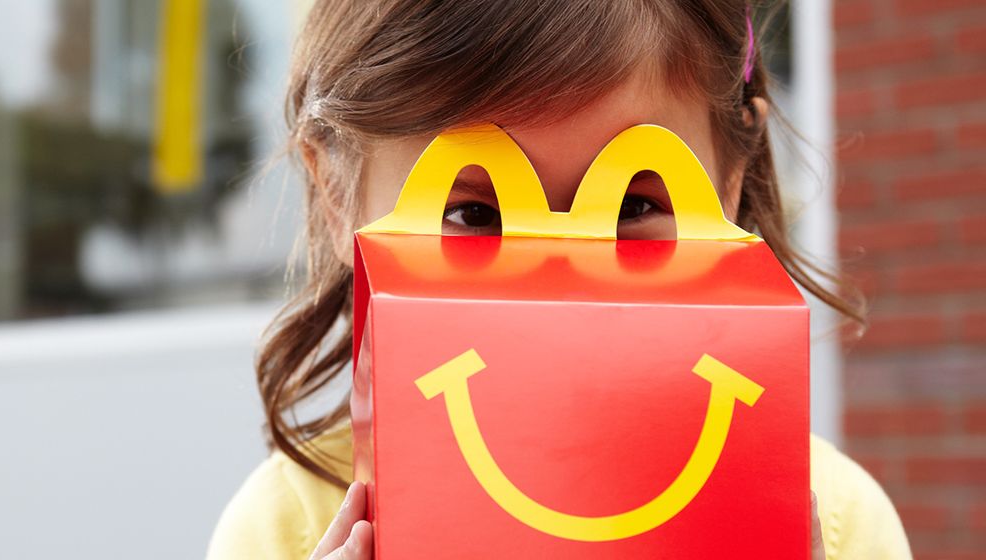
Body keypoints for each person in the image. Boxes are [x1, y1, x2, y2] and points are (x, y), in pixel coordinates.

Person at [207, 1, 913, 558]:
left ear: (729, 183)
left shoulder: (839, 525)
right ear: (337, 196)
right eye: (473, 214)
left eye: (636, 206)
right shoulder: (284, 534)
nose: (561, 280)